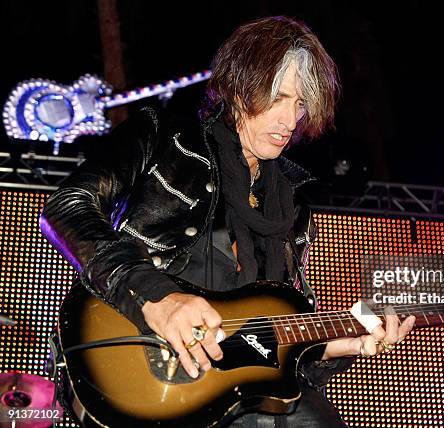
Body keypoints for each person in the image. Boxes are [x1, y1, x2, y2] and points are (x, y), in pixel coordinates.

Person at [41, 16, 415, 427]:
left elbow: (264, 339)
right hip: (145, 360)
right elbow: (67, 206)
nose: (290, 120)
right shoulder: (165, 136)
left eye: (301, 104)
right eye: (279, 97)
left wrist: (334, 347)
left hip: (242, 395)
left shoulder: (292, 204)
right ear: (240, 86)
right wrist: (157, 296)